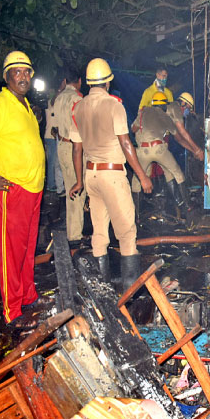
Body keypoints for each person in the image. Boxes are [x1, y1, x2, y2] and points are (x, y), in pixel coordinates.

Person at [0, 51, 46, 326]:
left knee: (27, 248)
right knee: (11, 252)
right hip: (11, 190)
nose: (23, 76)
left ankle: (27, 295)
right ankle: (12, 311)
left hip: (33, 189)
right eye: (17, 72)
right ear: (7, 76)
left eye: (27, 72)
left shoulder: (24, 105)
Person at [68, 58, 153, 292]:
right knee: (126, 233)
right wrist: (142, 176)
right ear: (107, 82)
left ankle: (102, 289)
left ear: (88, 82)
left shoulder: (78, 108)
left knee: (99, 232)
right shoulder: (114, 105)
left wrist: (78, 181)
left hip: (91, 176)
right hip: (112, 176)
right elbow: (125, 143)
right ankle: (129, 292)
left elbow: (76, 149)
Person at [131, 91, 203, 221]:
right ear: (183, 103)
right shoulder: (171, 113)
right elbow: (180, 135)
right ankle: (186, 206)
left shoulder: (144, 111)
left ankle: (136, 217)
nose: (187, 111)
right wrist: (196, 150)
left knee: (138, 179)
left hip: (143, 150)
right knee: (176, 173)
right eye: (188, 107)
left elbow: (133, 129)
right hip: (159, 148)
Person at [53, 65, 85, 245]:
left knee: (69, 190)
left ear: (65, 81)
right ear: (79, 81)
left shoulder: (58, 98)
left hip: (62, 145)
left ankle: (73, 229)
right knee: (77, 191)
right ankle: (75, 236)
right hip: (75, 148)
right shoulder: (77, 99)